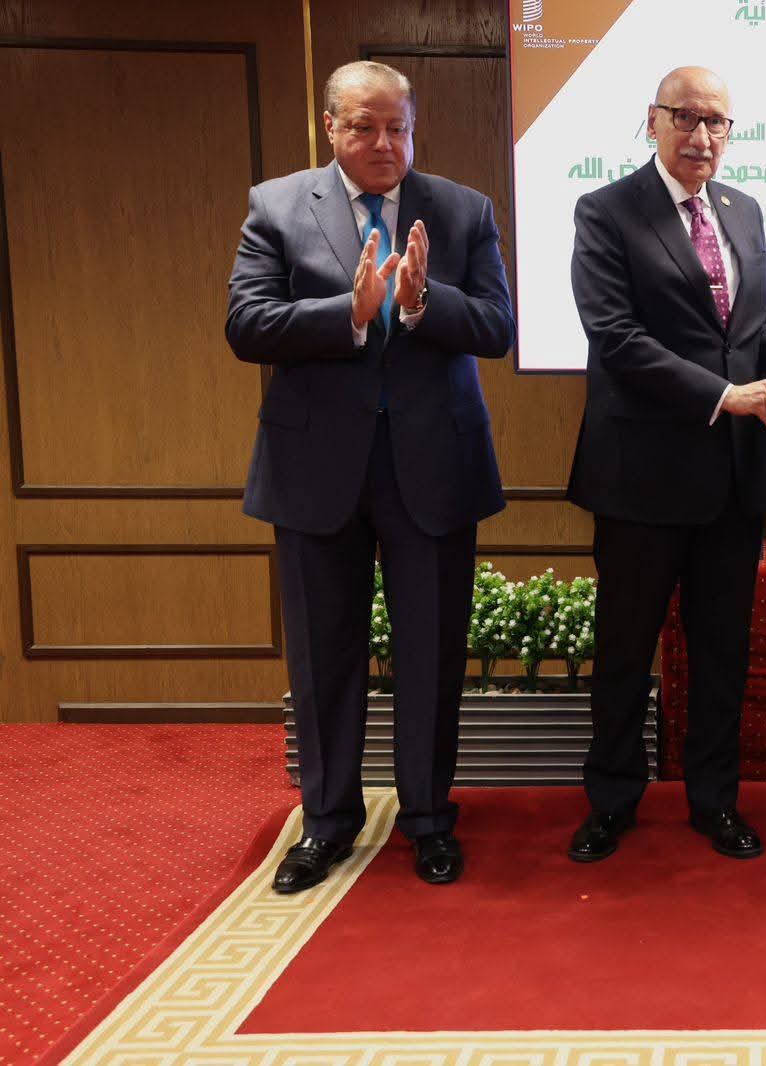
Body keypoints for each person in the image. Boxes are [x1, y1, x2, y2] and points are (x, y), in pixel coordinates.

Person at [226, 60, 514, 892]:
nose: (384, 143)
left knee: (431, 654)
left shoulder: (462, 210)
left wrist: (423, 304)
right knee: (323, 657)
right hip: (315, 468)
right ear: (331, 126)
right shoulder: (277, 206)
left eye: (398, 128)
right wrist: (347, 315)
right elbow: (246, 323)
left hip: (434, 466)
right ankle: (327, 823)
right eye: (364, 126)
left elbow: (496, 326)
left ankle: (428, 820)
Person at [566, 66, 766, 862]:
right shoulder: (606, 210)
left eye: (718, 122)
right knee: (625, 652)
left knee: (721, 654)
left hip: (732, 479)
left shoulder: (743, 209)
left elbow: (750, 318)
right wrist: (727, 395)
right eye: (687, 118)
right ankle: (611, 802)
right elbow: (616, 337)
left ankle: (714, 800)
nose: (703, 136)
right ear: (653, 120)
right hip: (641, 476)